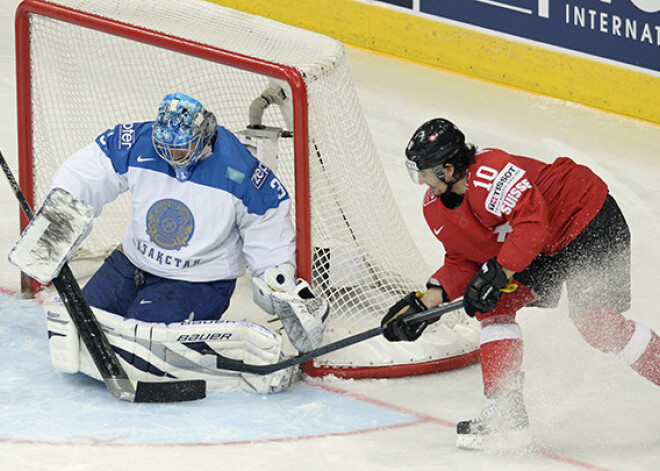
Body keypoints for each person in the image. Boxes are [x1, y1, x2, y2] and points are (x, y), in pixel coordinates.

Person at [380, 118, 660, 450]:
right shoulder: (434, 207)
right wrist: (426, 304)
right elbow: (463, 259)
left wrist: (498, 275)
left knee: (598, 326)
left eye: (425, 171)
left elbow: (531, 224)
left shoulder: (491, 174)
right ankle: (506, 411)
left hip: (585, 215)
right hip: (539, 246)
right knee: (495, 306)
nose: (422, 180)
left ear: (450, 169)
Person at [40, 92, 328, 393]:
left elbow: (266, 216)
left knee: (142, 353)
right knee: (76, 327)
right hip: (131, 264)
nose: (171, 157)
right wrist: (59, 217)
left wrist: (278, 281)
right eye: (165, 148)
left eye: (180, 149)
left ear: (204, 137)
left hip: (197, 281)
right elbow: (89, 169)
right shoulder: (139, 142)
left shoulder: (238, 167)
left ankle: (227, 363)